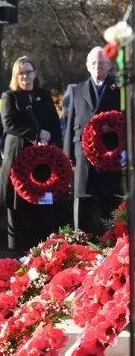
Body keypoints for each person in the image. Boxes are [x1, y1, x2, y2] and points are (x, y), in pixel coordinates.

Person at [0, 57, 62, 252]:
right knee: (18, 204)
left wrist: (48, 137)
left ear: (35, 73)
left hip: (42, 159)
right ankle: (17, 251)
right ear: (16, 76)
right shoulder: (9, 96)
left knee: (42, 203)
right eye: (21, 73)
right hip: (18, 155)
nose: (26, 76)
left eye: (29, 72)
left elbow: (53, 122)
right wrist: (36, 135)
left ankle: (44, 249)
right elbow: (9, 124)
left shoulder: (44, 95)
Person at [63, 47, 123, 235]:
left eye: (103, 63)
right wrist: (68, 155)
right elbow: (70, 122)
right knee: (83, 200)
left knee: (110, 200)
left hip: (110, 154)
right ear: (88, 66)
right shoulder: (76, 91)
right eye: (94, 63)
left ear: (109, 65)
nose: (98, 67)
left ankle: (111, 242)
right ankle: (80, 243)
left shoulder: (119, 90)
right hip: (84, 153)